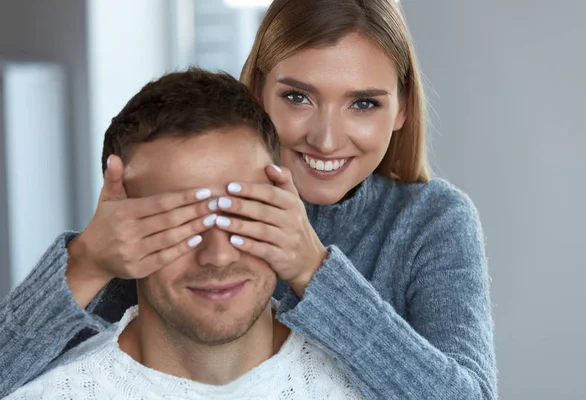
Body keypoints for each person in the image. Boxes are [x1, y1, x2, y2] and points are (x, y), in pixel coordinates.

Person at [0, 0, 497, 399]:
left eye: (363, 103)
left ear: (402, 108)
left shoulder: (432, 220)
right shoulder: (174, 193)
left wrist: (313, 270)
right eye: (298, 97)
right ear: (256, 88)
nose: (326, 139)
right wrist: (87, 262)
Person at [5, 68, 362, 400]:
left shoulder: (366, 387)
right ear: (118, 233)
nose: (218, 255)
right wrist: (85, 260)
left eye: (240, 215)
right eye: (177, 223)